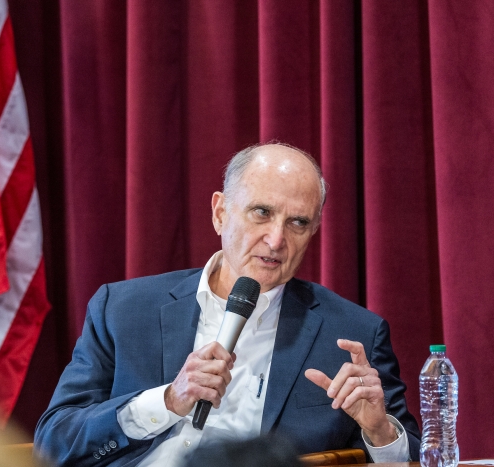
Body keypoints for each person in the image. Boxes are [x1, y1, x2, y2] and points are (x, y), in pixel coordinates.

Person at [35, 143, 420, 466]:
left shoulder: (352, 334)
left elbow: (417, 457)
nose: (275, 240)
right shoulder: (123, 309)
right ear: (220, 213)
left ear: (314, 230)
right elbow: (53, 442)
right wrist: (168, 400)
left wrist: (380, 431)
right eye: (262, 213)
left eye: (298, 223)